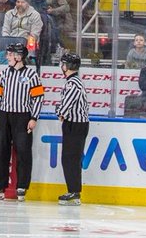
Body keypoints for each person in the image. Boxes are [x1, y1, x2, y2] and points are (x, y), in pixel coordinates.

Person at [0, 42, 44, 202]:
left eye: (10, 54)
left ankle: (22, 185)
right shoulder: (4, 74)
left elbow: (38, 98)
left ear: (19, 57)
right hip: (4, 116)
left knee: (23, 151)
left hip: (23, 117)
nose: (7, 57)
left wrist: (34, 117)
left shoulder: (32, 76)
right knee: (0, 150)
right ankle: (0, 185)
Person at [55, 52, 89, 206]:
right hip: (75, 124)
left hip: (75, 125)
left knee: (70, 159)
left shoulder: (72, 84)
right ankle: (74, 191)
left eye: (63, 64)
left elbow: (63, 109)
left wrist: (59, 111)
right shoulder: (75, 82)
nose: (61, 67)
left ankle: (74, 192)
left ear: (67, 66)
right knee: (70, 159)